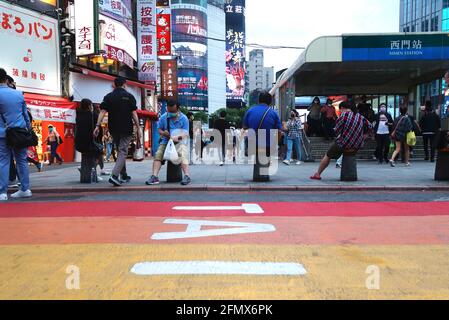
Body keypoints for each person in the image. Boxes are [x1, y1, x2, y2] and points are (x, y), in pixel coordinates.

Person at [94, 77, 141, 186]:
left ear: (114, 85)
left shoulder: (109, 97)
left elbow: (102, 111)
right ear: (124, 84)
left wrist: (97, 125)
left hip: (113, 128)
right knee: (123, 151)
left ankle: (123, 175)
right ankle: (115, 175)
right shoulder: (129, 96)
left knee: (120, 151)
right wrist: (138, 128)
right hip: (126, 128)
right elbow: (134, 114)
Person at [311, 101, 372, 180]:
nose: (340, 111)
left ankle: (318, 174)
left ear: (342, 108)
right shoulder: (360, 116)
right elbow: (370, 126)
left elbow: (336, 131)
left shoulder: (343, 116)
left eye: (340, 110)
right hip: (357, 144)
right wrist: (364, 136)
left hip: (343, 143)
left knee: (328, 155)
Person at [0, 68, 32, 201]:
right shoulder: (19, 94)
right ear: (6, 79)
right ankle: (25, 189)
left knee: (3, 161)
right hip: (20, 133)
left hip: (3, 133)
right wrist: (28, 130)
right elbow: (26, 115)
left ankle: (2, 192)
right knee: (22, 160)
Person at [146, 100, 191, 186]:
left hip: (179, 142)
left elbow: (185, 134)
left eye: (173, 111)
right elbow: (159, 129)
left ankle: (186, 176)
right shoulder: (163, 117)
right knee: (158, 155)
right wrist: (163, 133)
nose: (170, 113)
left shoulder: (184, 118)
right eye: (169, 111)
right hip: (165, 141)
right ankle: (154, 176)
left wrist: (175, 138)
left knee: (182, 155)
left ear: (178, 109)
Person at [243, 91, 282, 167]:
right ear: (270, 101)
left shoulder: (250, 111)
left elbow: (245, 128)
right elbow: (279, 131)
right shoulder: (273, 113)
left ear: (258, 100)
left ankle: (247, 150)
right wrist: (275, 145)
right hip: (268, 147)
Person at [75, 99, 99, 180]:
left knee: (92, 154)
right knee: (98, 153)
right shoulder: (91, 115)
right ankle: (91, 171)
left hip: (78, 143)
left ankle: (87, 170)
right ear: (89, 106)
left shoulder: (78, 114)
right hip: (88, 143)